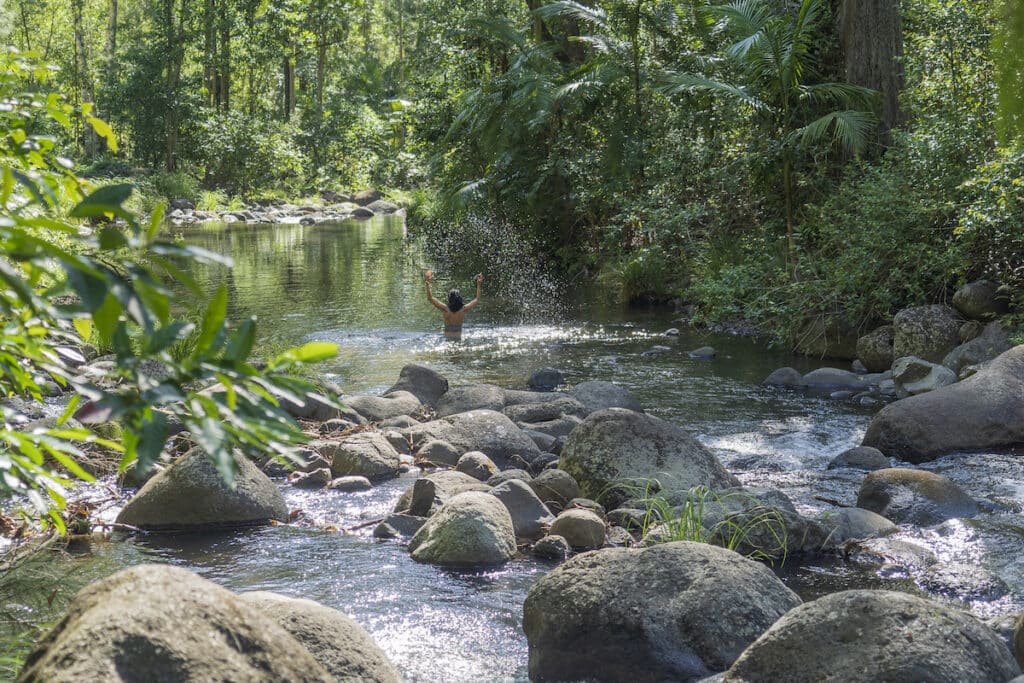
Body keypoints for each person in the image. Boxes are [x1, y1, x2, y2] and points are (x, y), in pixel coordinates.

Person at [425, 270, 482, 338]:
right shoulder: (463, 310)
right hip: (458, 339)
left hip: (447, 339)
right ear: (459, 299)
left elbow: (430, 298)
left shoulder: (445, 309)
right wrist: (478, 284)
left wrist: (427, 283)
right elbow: (477, 300)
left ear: (450, 299)